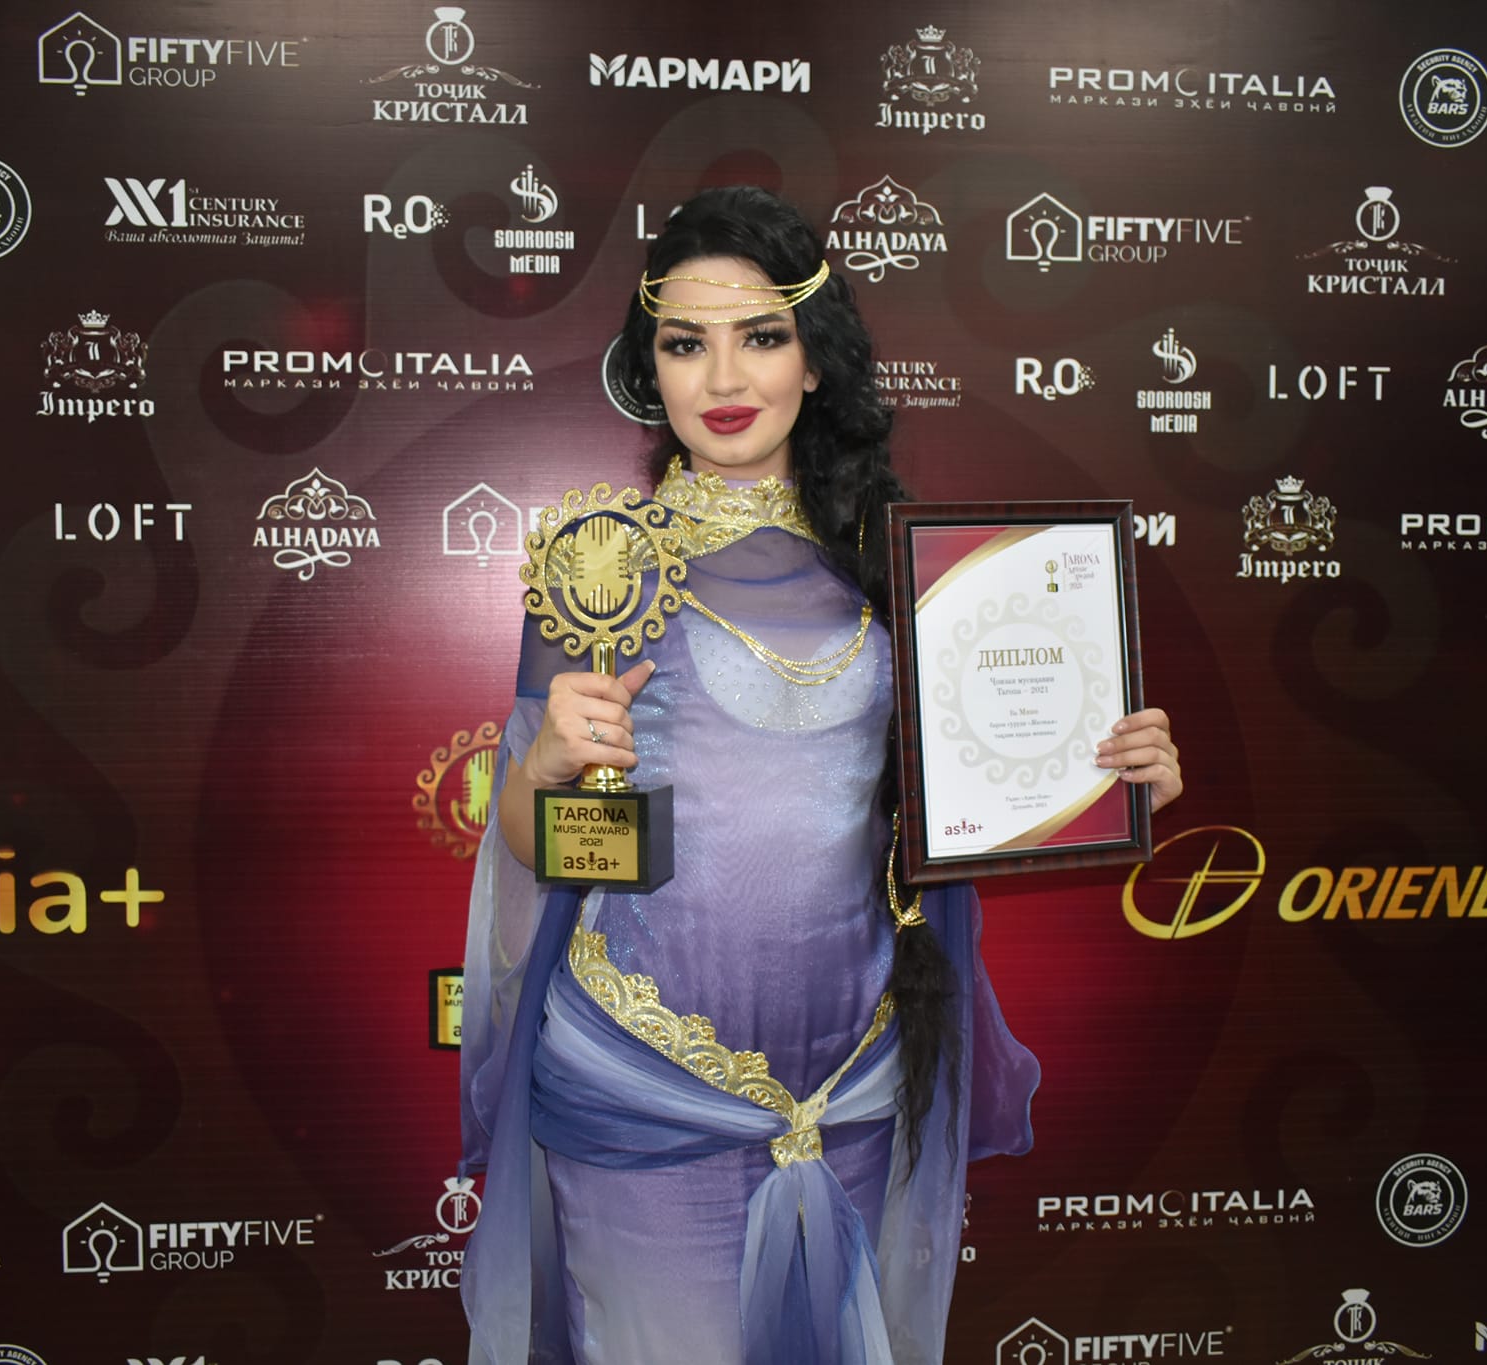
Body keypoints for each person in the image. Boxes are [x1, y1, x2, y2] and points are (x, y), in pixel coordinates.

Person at [458, 186, 1182, 1365]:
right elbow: (542, 846)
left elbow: (968, 797)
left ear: (813, 358)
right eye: (683, 344)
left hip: (854, 1084)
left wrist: (1103, 775)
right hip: (644, 1093)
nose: (721, 376)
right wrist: (540, 770)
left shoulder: (903, 569)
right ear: (648, 368)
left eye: (760, 335)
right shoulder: (603, 571)